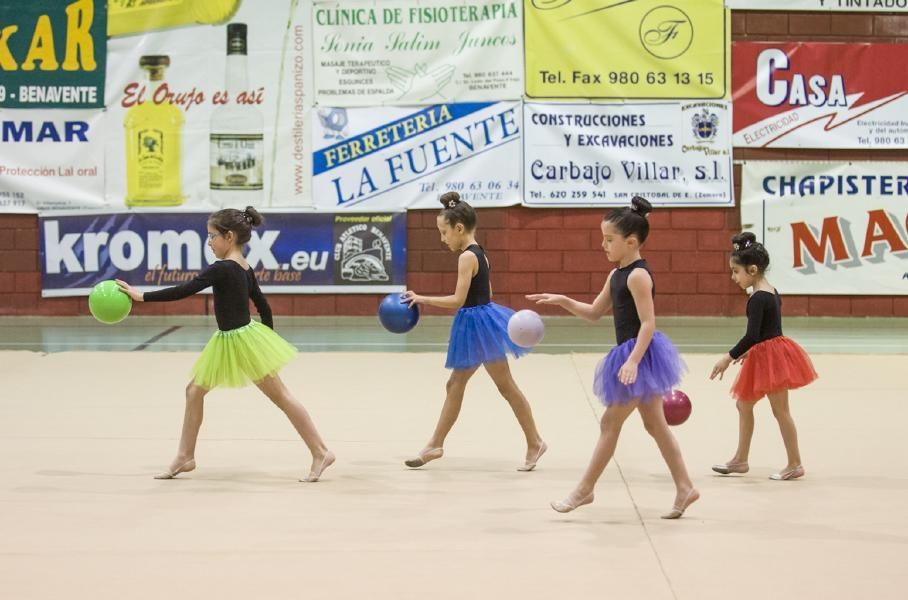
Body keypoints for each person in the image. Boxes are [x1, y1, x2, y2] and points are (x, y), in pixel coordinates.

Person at [117, 207, 334, 482]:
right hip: (235, 341)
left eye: (212, 237)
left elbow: (184, 290)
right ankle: (185, 456)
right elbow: (264, 307)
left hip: (241, 342)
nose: (209, 242)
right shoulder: (245, 268)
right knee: (194, 390)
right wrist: (267, 339)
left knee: (281, 396)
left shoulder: (223, 269)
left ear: (229, 236)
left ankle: (320, 451)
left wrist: (142, 296)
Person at [528, 196, 698, 518]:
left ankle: (584, 490)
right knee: (656, 426)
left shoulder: (638, 276)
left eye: (609, 239)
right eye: (603, 238)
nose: (603, 245)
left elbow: (648, 323)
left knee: (610, 422)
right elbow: (594, 313)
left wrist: (633, 361)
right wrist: (563, 299)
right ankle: (685, 487)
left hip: (640, 356)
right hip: (632, 356)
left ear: (631, 242)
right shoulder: (615, 274)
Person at [401, 192, 546, 471]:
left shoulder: (466, 257)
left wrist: (422, 298)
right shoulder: (480, 252)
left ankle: (535, 442)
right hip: (480, 323)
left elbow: (457, 300)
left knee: (504, 387)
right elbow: (487, 291)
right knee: (457, 384)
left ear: (458, 228)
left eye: (444, 233)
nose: (443, 239)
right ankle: (436, 444)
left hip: (478, 327)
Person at [710, 232, 817, 481]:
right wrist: (749, 351)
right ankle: (740, 459)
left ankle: (795, 463)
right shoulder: (769, 291)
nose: (733, 277)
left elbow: (752, 335)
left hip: (773, 358)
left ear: (753, 269)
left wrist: (727, 357)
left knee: (780, 410)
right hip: (767, 352)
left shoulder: (758, 297)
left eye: (736, 271)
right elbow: (765, 331)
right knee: (743, 404)